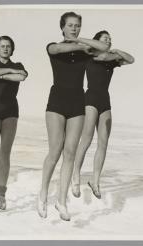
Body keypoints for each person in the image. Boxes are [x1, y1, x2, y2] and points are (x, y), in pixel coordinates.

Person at [37, 12, 109, 221]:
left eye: (77, 26)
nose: (74, 29)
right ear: (62, 27)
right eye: (70, 26)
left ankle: (61, 200)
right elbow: (59, 48)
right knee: (55, 151)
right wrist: (80, 44)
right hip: (57, 103)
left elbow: (103, 47)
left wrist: (79, 41)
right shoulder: (53, 47)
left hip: (78, 103)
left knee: (70, 153)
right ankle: (43, 193)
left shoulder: (84, 50)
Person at [71, 30, 134, 199]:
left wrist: (117, 51)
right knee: (86, 138)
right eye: (105, 39)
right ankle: (75, 175)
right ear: (97, 41)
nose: (109, 41)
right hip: (90, 98)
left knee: (103, 143)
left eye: (110, 39)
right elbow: (81, 47)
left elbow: (131, 59)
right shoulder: (88, 56)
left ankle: (95, 181)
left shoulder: (111, 61)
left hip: (105, 102)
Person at [0, 36, 28, 210]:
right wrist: (9, 73)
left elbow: (22, 77)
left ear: (12, 49)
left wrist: (1, 73)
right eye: (2, 46)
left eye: (8, 46)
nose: (5, 49)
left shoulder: (19, 66)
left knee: (5, 154)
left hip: (11, 110)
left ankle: (1, 193)